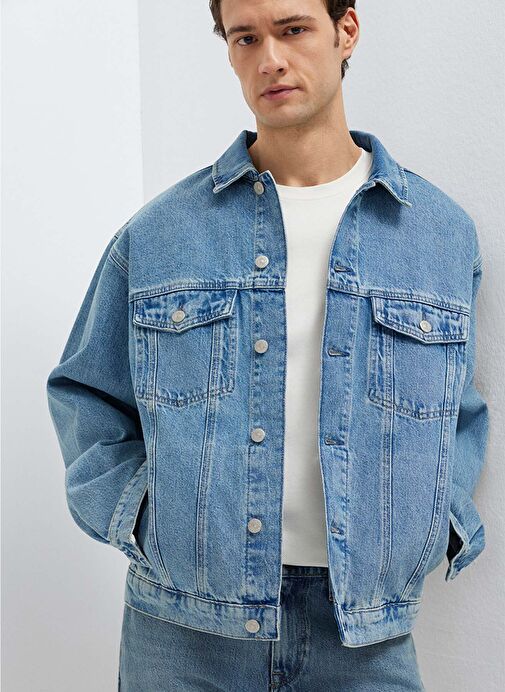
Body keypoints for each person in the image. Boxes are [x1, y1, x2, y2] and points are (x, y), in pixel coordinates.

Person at [46, 1, 489, 689]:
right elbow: (86, 395)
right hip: (184, 630)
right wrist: (140, 517)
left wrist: (441, 523)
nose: (270, 60)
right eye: (245, 38)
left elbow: (457, 414)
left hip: (364, 636)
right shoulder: (160, 235)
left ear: (345, 31)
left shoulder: (436, 235)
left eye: (292, 29)